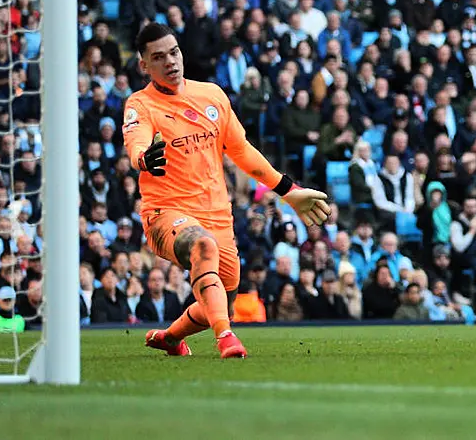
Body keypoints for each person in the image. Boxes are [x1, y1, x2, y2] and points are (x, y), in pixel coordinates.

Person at [124, 23, 331, 359]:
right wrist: (144, 159)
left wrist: (288, 190)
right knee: (202, 247)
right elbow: (137, 144)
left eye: (174, 52)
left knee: (222, 301)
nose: (171, 62)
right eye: (158, 57)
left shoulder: (212, 95)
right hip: (166, 213)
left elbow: (242, 151)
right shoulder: (141, 104)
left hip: (218, 216)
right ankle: (226, 339)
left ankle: (170, 338)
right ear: (144, 65)